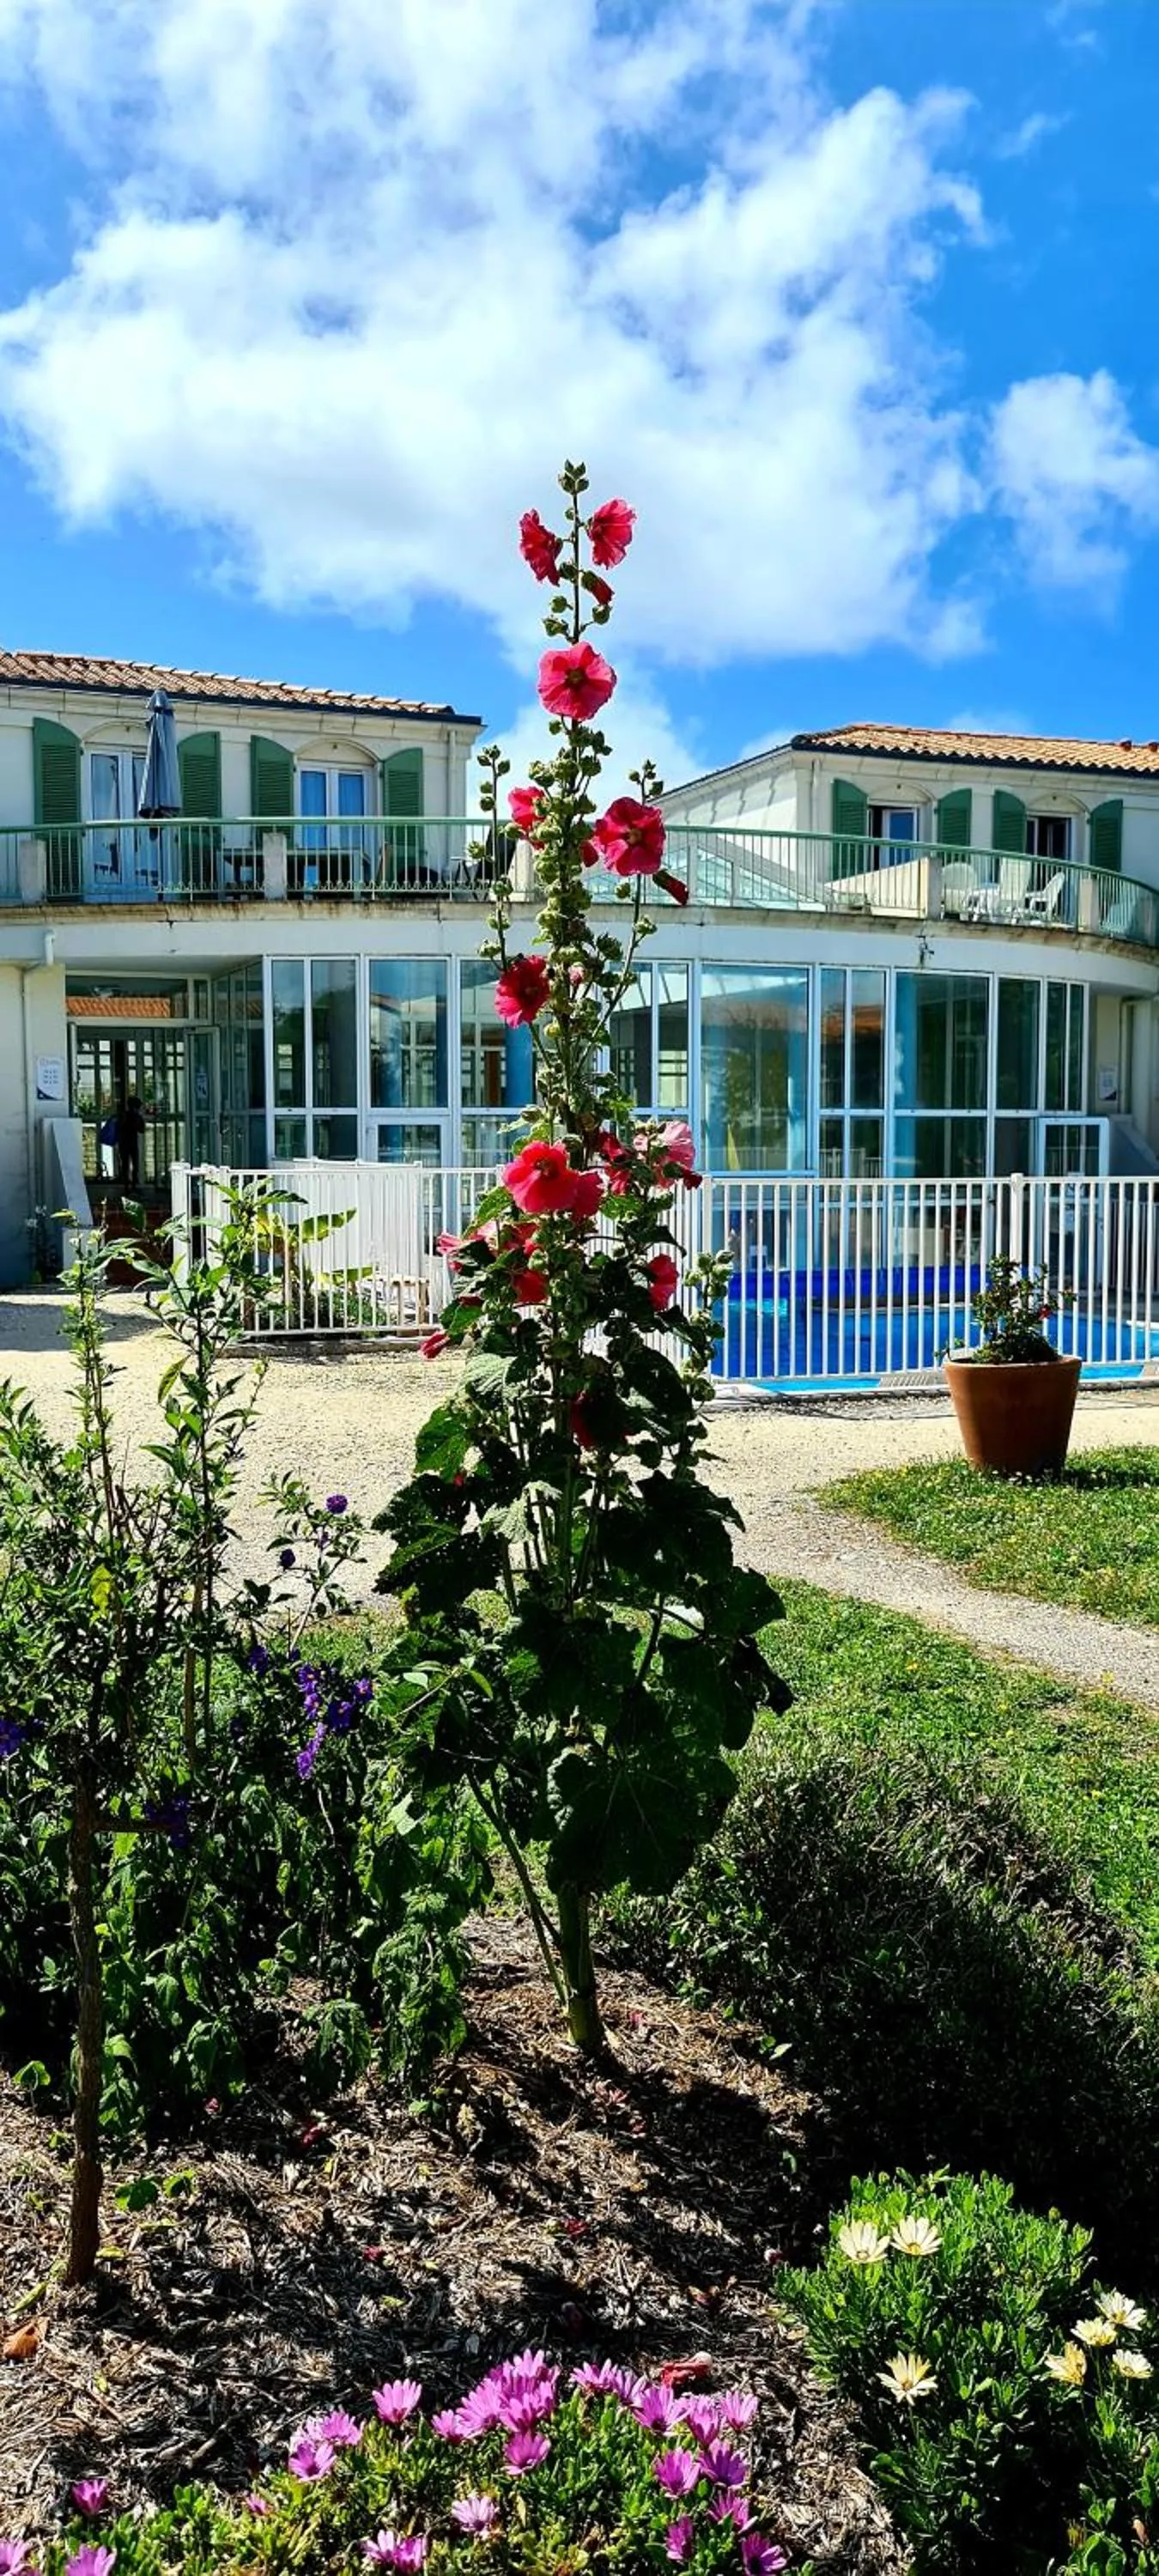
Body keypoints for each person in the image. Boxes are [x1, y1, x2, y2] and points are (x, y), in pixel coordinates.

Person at [118, 1095, 146, 1188]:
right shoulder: (136, 1117)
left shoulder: (123, 1115)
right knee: (135, 1165)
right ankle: (133, 1185)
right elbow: (142, 1130)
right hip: (132, 1143)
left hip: (123, 1143)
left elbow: (119, 1127)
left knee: (125, 1166)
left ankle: (127, 1186)